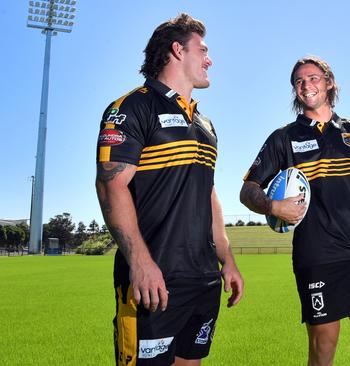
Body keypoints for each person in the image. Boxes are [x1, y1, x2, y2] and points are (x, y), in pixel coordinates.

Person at [95, 13, 243, 366]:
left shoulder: (204, 124)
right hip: (153, 278)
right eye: (202, 50)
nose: (210, 59)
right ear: (178, 50)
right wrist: (141, 262)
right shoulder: (131, 108)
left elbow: (208, 194)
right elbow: (110, 185)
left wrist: (228, 260)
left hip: (203, 279)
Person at [240, 56, 350, 366]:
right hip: (318, 258)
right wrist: (273, 206)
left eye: (312, 78)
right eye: (298, 81)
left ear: (328, 82)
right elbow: (248, 190)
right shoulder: (283, 138)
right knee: (323, 350)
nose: (306, 85)